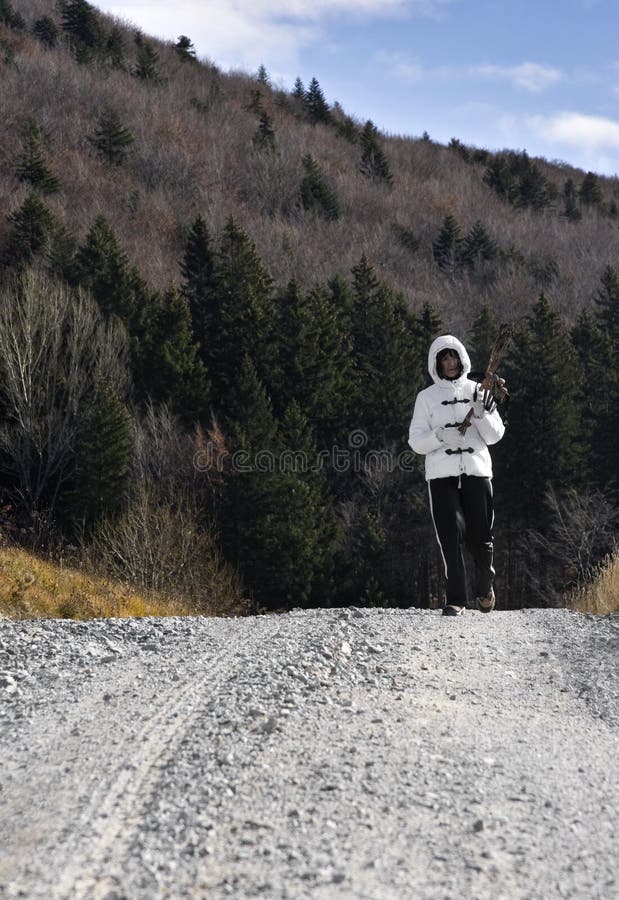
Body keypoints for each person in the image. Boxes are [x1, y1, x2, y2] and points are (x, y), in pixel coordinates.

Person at [408, 335, 506, 616]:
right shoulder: (425, 398)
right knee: (449, 536)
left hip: (476, 470)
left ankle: (485, 588)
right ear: (436, 365)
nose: (449, 363)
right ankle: (456, 599)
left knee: (481, 534)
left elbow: (495, 434)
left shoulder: (479, 389)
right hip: (441, 475)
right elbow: (415, 441)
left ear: (462, 358)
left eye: (453, 357)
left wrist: (482, 414)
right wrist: (440, 436)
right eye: (443, 359)